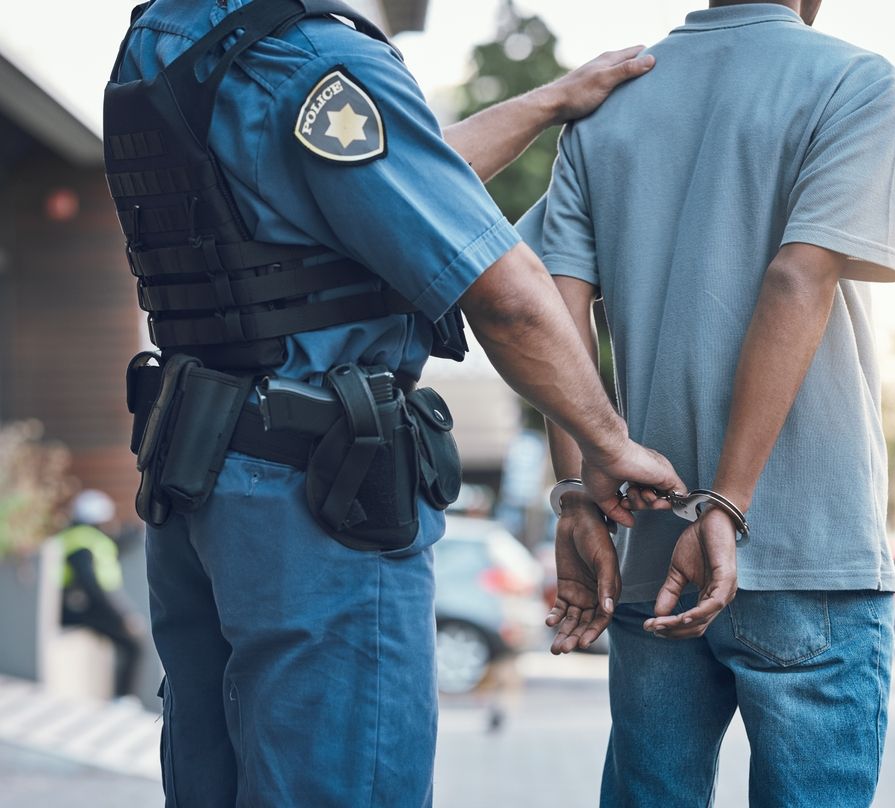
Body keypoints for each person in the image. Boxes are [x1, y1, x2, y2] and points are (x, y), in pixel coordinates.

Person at [104, 1, 684, 805]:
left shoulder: (166, 40)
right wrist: (608, 444)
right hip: (320, 503)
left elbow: (387, 186)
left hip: (203, 481)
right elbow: (510, 301)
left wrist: (549, 102)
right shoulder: (311, 60)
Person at [520, 1, 895, 805]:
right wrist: (727, 507)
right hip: (807, 551)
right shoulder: (855, 82)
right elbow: (796, 278)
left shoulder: (606, 107)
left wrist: (578, 496)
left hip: (647, 548)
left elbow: (554, 312)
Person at [59, 490, 145, 699]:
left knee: (131, 643)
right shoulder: (83, 542)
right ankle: (123, 699)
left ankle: (122, 699)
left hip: (81, 606)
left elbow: (117, 543)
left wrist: (137, 531)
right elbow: (91, 586)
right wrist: (121, 616)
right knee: (134, 644)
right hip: (81, 607)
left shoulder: (81, 537)